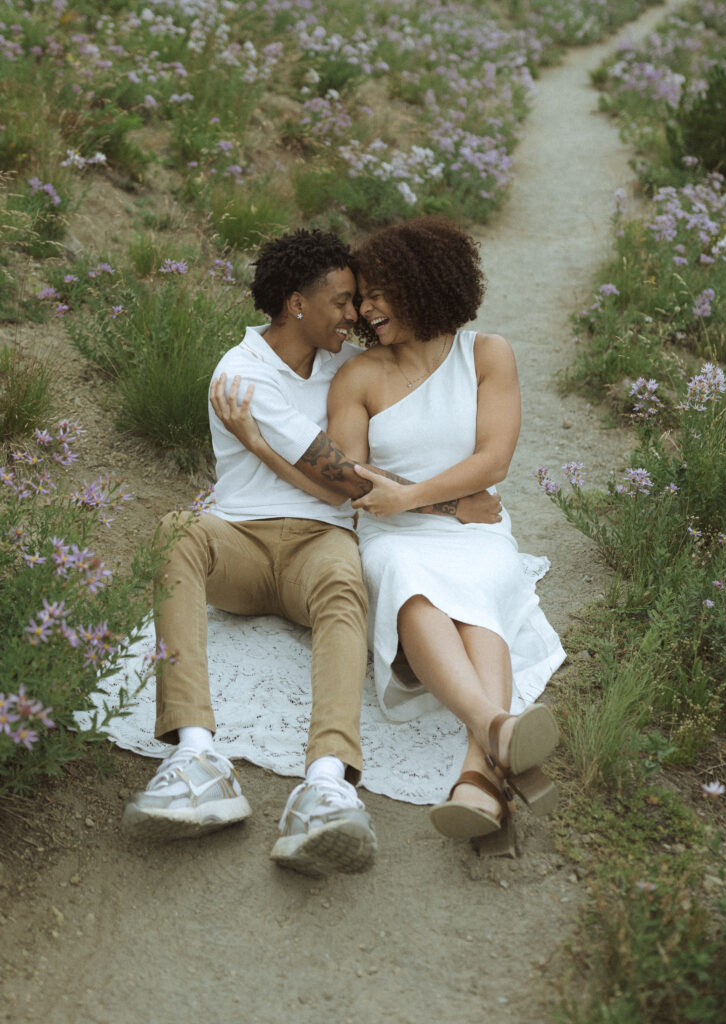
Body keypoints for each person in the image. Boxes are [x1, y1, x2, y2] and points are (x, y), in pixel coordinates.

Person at [123, 227, 501, 874]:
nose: (354, 316)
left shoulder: (342, 368)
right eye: (342, 301)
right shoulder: (241, 374)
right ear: (296, 303)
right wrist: (453, 505)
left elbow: (343, 498)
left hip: (318, 547)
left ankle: (327, 783)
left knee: (343, 574)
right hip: (238, 540)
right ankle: (194, 756)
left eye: (358, 303)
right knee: (174, 532)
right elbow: (344, 480)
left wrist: (438, 501)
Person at [212, 216, 565, 853]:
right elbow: (351, 480)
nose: (367, 310)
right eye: (359, 297)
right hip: (392, 531)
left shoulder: (489, 355)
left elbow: (495, 461)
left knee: (482, 587)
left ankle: (476, 774)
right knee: (408, 581)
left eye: (379, 292)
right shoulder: (359, 375)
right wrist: (436, 504)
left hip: (469, 529)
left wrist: (420, 497)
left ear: (426, 285)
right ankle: (494, 730)